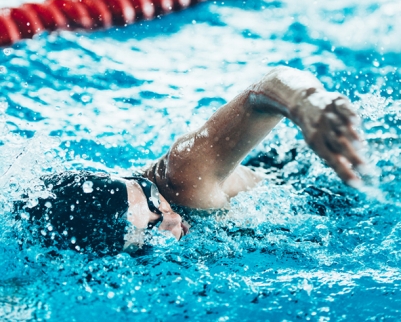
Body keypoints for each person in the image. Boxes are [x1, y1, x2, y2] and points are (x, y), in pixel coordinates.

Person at [19, 66, 366, 256]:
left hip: (314, 177)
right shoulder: (84, 238)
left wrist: (308, 103)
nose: (172, 225)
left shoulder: (185, 174)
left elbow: (268, 86)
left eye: (155, 202)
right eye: (152, 233)